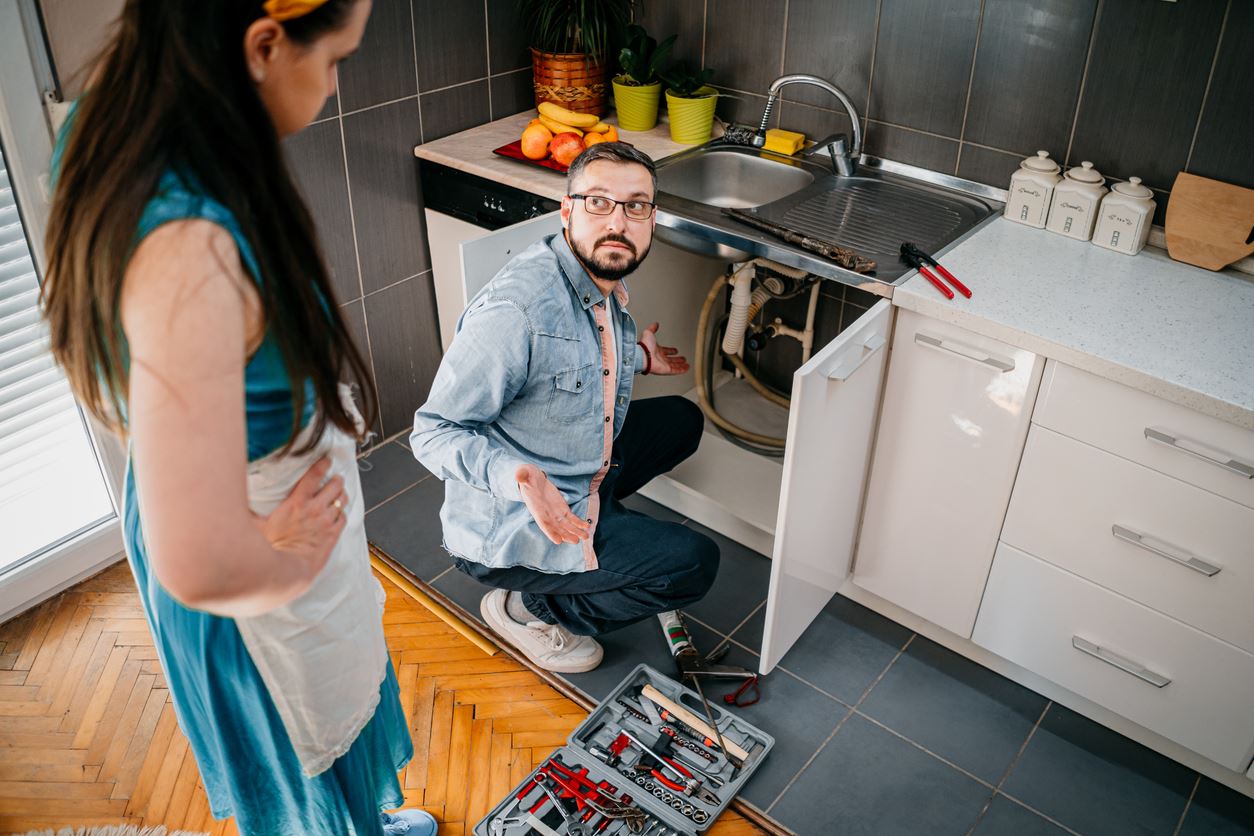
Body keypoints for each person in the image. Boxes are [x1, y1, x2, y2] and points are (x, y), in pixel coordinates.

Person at [42, 2, 434, 833]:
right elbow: (197, 564)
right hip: (251, 589)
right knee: (306, 773)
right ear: (262, 45)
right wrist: (290, 562)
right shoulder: (189, 248)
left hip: (242, 508)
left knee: (338, 745)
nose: (333, 86)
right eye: (335, 60)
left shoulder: (115, 124)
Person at [411, 142, 720, 674]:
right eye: (599, 202)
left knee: (681, 422)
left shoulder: (596, 279)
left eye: (636, 205)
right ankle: (534, 606)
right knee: (693, 564)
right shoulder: (519, 308)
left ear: (651, 219)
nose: (617, 221)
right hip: (512, 522)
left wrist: (636, 359)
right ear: (567, 209)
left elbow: (571, 362)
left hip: (569, 476)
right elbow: (433, 432)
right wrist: (520, 478)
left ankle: (600, 522)